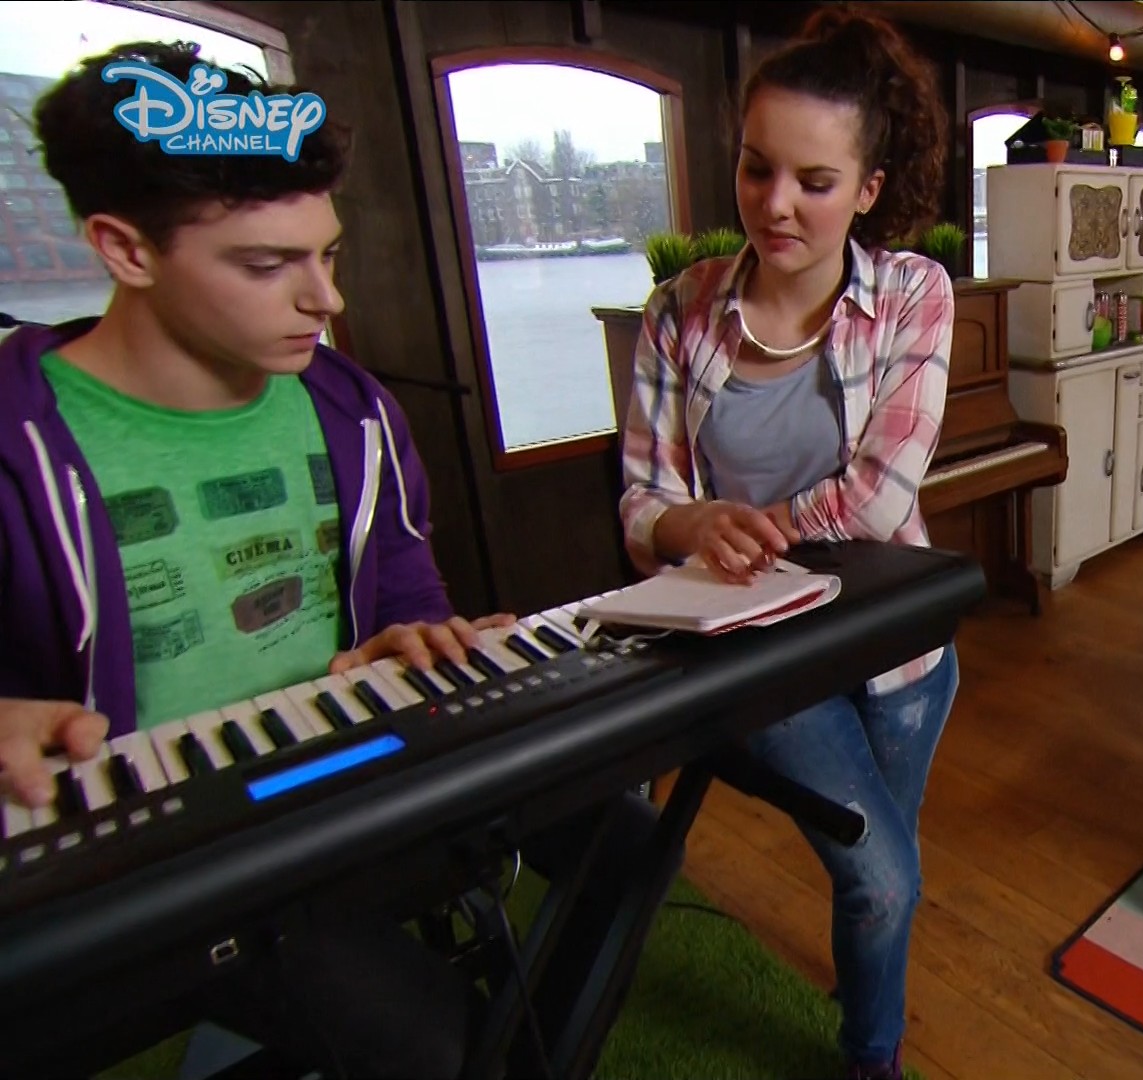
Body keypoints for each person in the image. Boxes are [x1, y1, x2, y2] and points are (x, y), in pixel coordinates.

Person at [0, 41, 661, 1079]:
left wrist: (414, 638)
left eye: (330, 255)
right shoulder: (16, 433)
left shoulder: (352, 409)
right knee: (431, 1042)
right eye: (269, 266)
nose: (325, 299)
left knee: (625, 839)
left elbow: (405, 592)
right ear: (125, 249)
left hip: (354, 778)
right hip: (166, 857)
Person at [614, 10, 956, 1079]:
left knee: (880, 871)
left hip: (900, 654)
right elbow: (643, 500)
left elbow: (880, 497)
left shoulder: (914, 294)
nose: (774, 204)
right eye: (757, 168)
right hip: (763, 650)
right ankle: (874, 1058)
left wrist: (745, 530)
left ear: (867, 187)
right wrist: (690, 523)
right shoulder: (678, 312)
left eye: (815, 181)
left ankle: (866, 1018)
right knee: (883, 877)